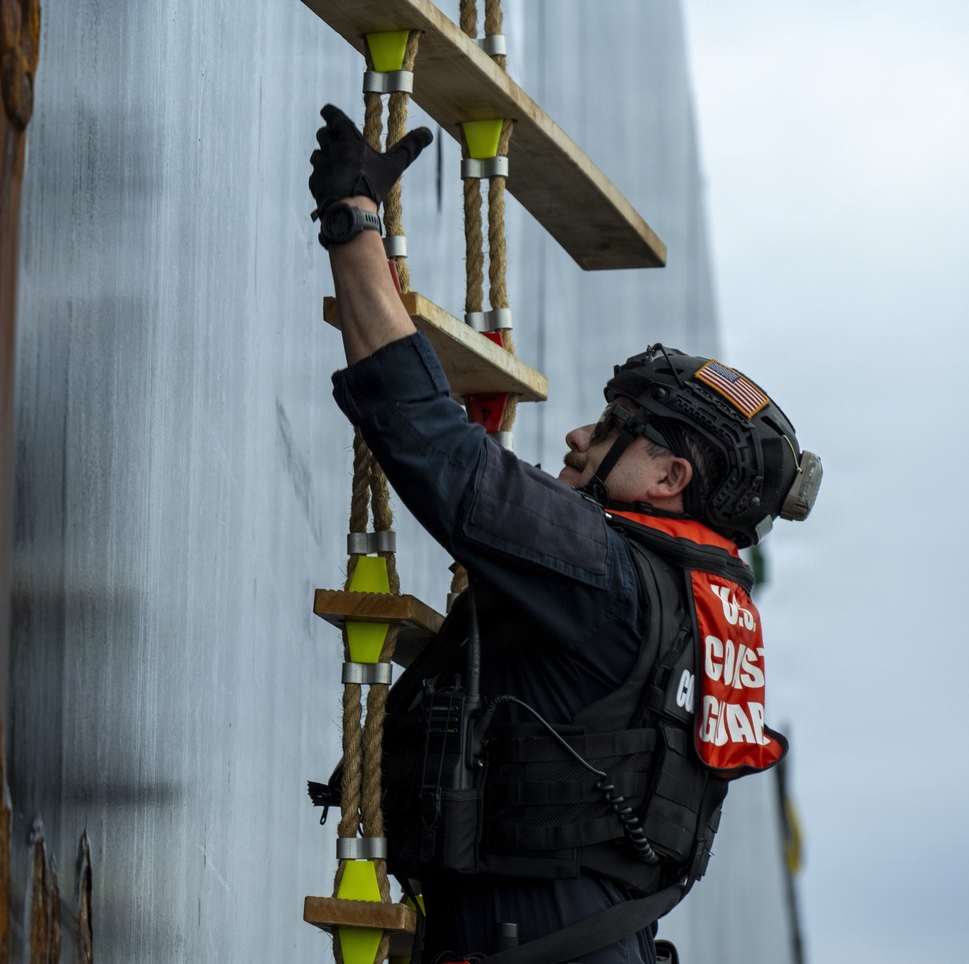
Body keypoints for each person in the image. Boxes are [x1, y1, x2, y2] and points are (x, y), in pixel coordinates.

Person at [308, 105, 822, 964]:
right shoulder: (700, 604)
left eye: (615, 425)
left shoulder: (612, 575)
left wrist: (354, 224)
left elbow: (438, 451)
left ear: (669, 479)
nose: (580, 436)